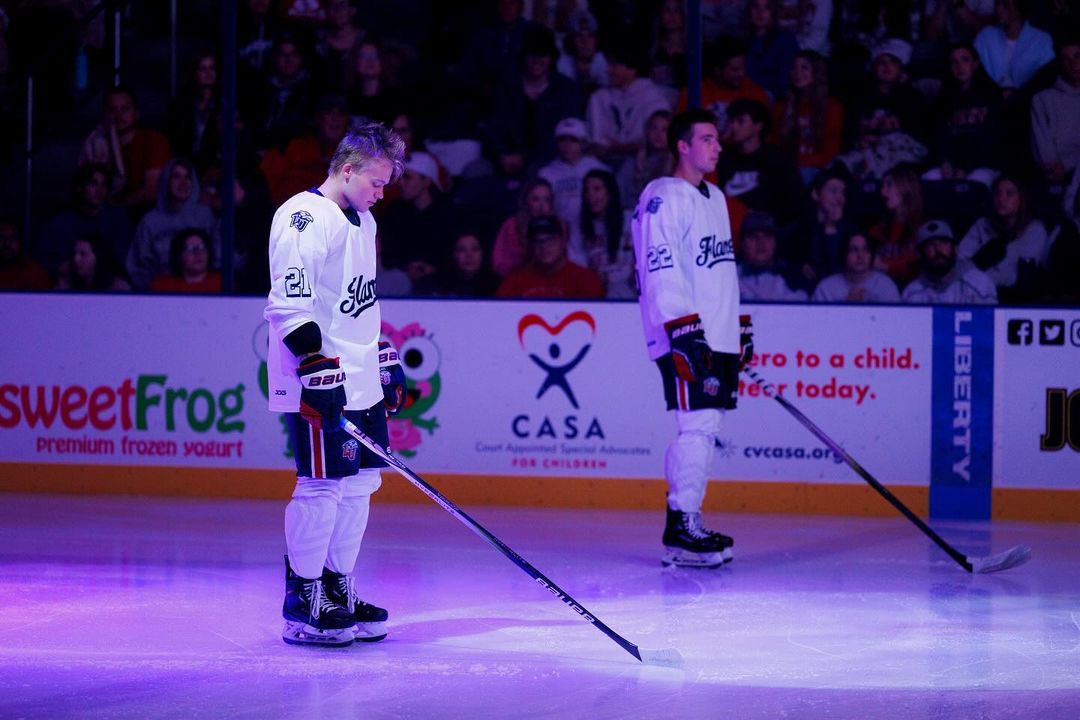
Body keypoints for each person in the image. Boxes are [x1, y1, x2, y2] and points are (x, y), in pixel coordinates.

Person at [264, 121, 407, 647]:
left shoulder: (364, 220)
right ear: (347, 170)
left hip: (360, 377)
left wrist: (381, 354)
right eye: (376, 181)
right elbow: (289, 304)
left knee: (361, 484)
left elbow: (355, 302)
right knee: (321, 486)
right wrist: (313, 363)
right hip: (322, 378)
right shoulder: (302, 217)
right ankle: (303, 600)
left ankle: (336, 588)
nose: (381, 193)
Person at [631, 108, 753, 569]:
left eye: (717, 139)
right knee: (696, 424)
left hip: (715, 334)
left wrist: (737, 329)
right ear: (682, 146)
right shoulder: (663, 195)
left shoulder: (716, 197)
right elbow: (660, 267)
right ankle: (682, 524)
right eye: (707, 139)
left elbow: (719, 271)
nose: (717, 147)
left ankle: (687, 522)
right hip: (684, 333)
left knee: (707, 426)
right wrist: (683, 330)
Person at [126, 158, 219, 291]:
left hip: (202, 288)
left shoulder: (205, 216)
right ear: (166, 181)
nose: (183, 183)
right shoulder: (150, 221)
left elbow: (218, 254)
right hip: (162, 291)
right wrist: (152, 289)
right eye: (176, 177)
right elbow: (137, 265)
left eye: (187, 177)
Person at [78, 85, 172, 213]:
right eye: (112, 110)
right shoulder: (96, 144)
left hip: (146, 213)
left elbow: (152, 189)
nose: (118, 115)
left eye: (125, 109)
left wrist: (116, 208)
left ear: (136, 114)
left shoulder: (154, 141)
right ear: (105, 115)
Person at [957, 172, 1049, 301]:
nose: (1001, 199)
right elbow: (961, 262)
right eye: (998, 193)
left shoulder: (1035, 229)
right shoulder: (982, 225)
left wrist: (980, 276)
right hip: (976, 293)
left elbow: (1018, 274)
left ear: (1021, 199)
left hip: (1015, 298)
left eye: (1009, 194)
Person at [38, 163, 134, 278]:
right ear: (80, 188)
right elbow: (43, 259)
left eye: (104, 185)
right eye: (93, 184)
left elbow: (126, 258)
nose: (99, 191)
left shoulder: (117, 218)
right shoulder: (61, 223)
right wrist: (66, 267)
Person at [537, 118, 608, 264]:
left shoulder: (599, 169)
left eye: (573, 140)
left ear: (583, 143)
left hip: (596, 234)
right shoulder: (546, 174)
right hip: (562, 236)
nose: (567, 145)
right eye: (562, 140)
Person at [495, 215, 604, 298]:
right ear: (530, 246)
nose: (544, 246)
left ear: (562, 242)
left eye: (550, 240)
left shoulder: (585, 279)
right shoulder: (514, 282)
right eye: (538, 241)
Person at [901, 219, 997, 303]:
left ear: (955, 249)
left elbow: (989, 318)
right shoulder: (911, 293)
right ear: (920, 254)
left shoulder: (979, 284)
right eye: (930, 244)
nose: (938, 249)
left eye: (944, 242)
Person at [578, 169, 636, 299]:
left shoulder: (632, 219)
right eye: (586, 190)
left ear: (610, 192)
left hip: (633, 296)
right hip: (599, 298)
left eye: (597, 189)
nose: (590, 195)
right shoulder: (584, 228)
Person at [1029, 34, 1080, 183]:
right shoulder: (1043, 99)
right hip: (1059, 175)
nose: (1073, 63)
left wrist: (1069, 164)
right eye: (1066, 59)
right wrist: (1056, 167)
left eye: (1077, 56)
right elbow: (1042, 146)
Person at [973, 0, 1054, 92]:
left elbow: (1047, 78)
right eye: (997, 4)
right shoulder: (985, 37)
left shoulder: (1042, 40)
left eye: (1005, 5)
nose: (999, 10)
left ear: (1019, 8)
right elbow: (973, 71)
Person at [869, 163, 925, 288]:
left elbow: (916, 265)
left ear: (905, 186)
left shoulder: (923, 228)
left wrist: (885, 266)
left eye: (889, 185)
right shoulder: (876, 230)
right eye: (882, 186)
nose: (883, 192)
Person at [491, 177, 559, 277]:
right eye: (535, 199)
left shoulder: (559, 226)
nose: (542, 206)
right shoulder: (511, 226)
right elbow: (499, 263)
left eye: (547, 200)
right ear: (526, 202)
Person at [737, 210, 809, 301]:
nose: (761, 243)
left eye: (767, 236)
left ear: (775, 243)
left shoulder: (794, 279)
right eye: (753, 237)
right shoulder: (729, 276)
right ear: (742, 243)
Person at [811, 231, 901, 302]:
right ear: (844, 254)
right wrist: (846, 306)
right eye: (854, 250)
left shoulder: (886, 286)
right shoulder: (826, 288)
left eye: (865, 250)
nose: (860, 255)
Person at [149, 228, 222, 293]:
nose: (198, 253)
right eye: (190, 249)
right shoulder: (161, 287)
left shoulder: (222, 283)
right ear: (178, 256)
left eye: (202, 248)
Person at [54, 232, 132, 292]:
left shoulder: (118, 287)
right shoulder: (68, 283)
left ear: (98, 257)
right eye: (74, 254)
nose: (76, 259)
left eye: (83, 254)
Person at [0, 217, 51, 291]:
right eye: (2, 238)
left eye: (13, 238)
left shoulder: (35, 273)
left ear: (21, 242)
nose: (7, 244)